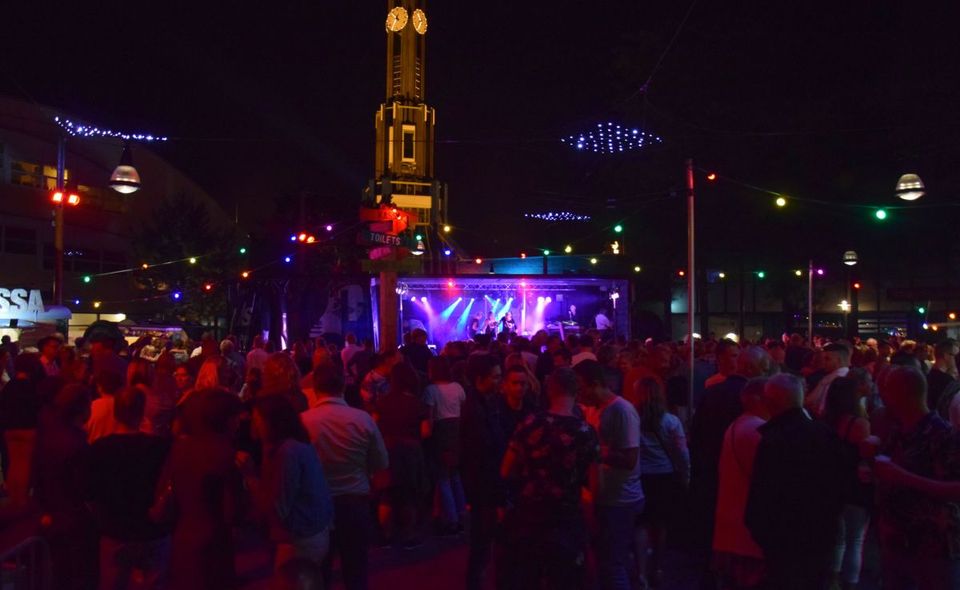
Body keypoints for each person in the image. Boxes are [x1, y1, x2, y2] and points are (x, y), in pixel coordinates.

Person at [498, 368, 599, 589]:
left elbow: (506, 470)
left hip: (531, 514)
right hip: (567, 516)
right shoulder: (586, 432)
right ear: (576, 391)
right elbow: (595, 485)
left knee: (528, 576)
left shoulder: (529, 424)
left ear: (549, 390)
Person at [745, 373, 845, 589]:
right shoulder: (825, 433)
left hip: (783, 538)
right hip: (820, 533)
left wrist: (761, 532)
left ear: (771, 402)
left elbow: (762, 493)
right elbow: (839, 484)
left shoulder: (773, 440)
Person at [870, 365, 960, 589]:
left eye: (885, 390)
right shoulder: (897, 431)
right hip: (896, 540)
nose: (882, 397)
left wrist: (902, 477)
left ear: (901, 394)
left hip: (933, 547)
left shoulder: (942, 436)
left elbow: (956, 490)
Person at [301, 361, 388, 590]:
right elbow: (381, 463)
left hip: (317, 503)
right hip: (354, 500)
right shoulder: (362, 419)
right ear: (343, 386)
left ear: (315, 388)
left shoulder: (303, 421)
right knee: (356, 567)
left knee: (320, 569)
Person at [84, 386, 172, 590]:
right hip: (152, 528)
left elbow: (90, 491)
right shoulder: (161, 446)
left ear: (116, 413)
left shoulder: (100, 448)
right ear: (142, 412)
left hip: (114, 529)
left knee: (113, 582)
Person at [573, 360, 643, 590]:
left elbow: (630, 459)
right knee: (606, 561)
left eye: (580, 388)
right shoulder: (594, 409)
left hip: (620, 499)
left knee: (613, 564)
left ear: (594, 384)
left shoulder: (622, 410)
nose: (578, 394)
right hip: (604, 496)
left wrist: (594, 451)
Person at [245, 394, 333, 575]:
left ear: (273, 422)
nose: (254, 425)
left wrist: (250, 477)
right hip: (312, 532)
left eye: (257, 420)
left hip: (301, 538)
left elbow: (278, 505)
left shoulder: (288, 452)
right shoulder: (294, 445)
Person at [167, 389, 245, 590]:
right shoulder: (223, 454)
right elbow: (233, 511)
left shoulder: (180, 447)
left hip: (183, 533)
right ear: (222, 419)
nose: (239, 422)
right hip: (213, 538)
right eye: (235, 417)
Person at [32, 384, 97, 590]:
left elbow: (37, 476)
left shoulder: (48, 435)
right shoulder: (77, 443)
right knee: (76, 573)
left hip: (51, 514)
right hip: (73, 519)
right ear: (82, 408)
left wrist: (42, 510)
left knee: (58, 572)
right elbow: (85, 487)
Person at [712, 378, 769, 590]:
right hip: (745, 532)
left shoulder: (740, 424)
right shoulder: (757, 430)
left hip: (732, 526)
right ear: (758, 399)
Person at [633, 377, 689, 588]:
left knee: (641, 524)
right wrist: (686, 475)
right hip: (664, 476)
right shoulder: (671, 421)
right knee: (661, 524)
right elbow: (682, 453)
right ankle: (657, 567)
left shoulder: (633, 420)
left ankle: (641, 572)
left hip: (640, 476)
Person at [460, 354, 506, 590]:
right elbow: (481, 454)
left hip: (483, 487)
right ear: (480, 379)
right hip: (484, 488)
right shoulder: (475, 409)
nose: (499, 381)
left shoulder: (482, 403)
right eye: (495, 377)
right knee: (482, 543)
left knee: (483, 543)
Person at [821, 376, 872, 590]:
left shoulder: (824, 421)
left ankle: (832, 580)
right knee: (855, 540)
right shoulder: (858, 424)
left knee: (838, 539)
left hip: (831, 483)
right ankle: (850, 583)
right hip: (854, 486)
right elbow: (866, 457)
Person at [374, 363, 430, 548]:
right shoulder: (417, 404)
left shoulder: (382, 401)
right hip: (410, 452)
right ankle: (409, 536)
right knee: (409, 495)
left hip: (387, 449)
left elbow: (374, 426)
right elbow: (426, 432)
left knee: (386, 494)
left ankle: (385, 535)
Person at [424, 356, 467, 534]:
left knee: (442, 478)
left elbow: (430, 418)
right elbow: (464, 410)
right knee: (455, 475)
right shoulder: (457, 387)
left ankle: (452, 520)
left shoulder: (431, 390)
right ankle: (462, 514)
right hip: (457, 431)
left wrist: (427, 436)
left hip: (441, 432)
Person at [0, 352, 48, 507]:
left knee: (14, 463)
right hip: (27, 428)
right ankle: (22, 500)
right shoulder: (31, 387)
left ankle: (14, 498)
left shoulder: (10, 386)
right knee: (24, 464)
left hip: (9, 429)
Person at [805, 342, 851, 418]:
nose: (824, 362)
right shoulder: (830, 377)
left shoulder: (837, 380)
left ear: (838, 360)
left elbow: (821, 410)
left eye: (827, 359)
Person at [86, 369, 127, 443]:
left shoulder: (91, 406)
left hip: (94, 448)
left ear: (100, 387)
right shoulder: (126, 406)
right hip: (119, 449)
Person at [928, 338, 960, 413]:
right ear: (946, 356)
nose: (958, 360)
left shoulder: (927, 377)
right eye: (956, 357)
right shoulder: (948, 383)